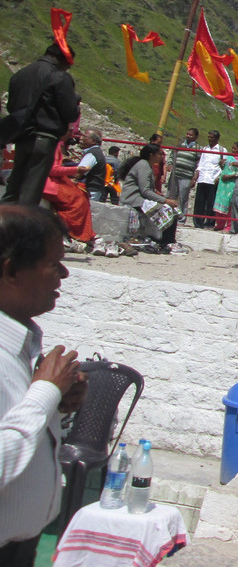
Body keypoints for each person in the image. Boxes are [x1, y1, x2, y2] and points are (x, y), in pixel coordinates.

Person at [0, 205, 88, 565]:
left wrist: (55, 400)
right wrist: (44, 392)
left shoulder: (20, 348)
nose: (64, 274)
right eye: (54, 264)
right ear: (11, 271)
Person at [0, 43, 80, 206]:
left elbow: (12, 107)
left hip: (22, 137)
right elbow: (70, 112)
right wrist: (75, 101)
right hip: (45, 138)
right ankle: (23, 228)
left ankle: (5, 223)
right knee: (31, 191)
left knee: (13, 189)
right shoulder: (59, 77)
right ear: (63, 59)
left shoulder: (21, 74)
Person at [119, 143, 180, 253]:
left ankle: (166, 240)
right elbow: (145, 191)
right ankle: (167, 241)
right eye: (160, 154)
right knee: (168, 209)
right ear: (152, 155)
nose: (162, 157)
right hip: (134, 199)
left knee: (170, 209)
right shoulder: (144, 166)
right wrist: (165, 200)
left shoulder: (146, 165)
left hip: (140, 198)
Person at [42, 130, 94, 251]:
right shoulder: (54, 145)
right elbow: (53, 170)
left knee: (81, 195)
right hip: (48, 182)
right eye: (69, 131)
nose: (72, 135)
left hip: (54, 180)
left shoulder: (56, 144)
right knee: (78, 201)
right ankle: (71, 234)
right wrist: (76, 170)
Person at [192, 130, 226, 228]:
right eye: (209, 137)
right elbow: (200, 164)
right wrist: (196, 176)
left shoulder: (222, 150)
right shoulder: (205, 149)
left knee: (211, 203)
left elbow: (224, 166)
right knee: (199, 202)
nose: (210, 139)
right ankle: (198, 222)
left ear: (217, 138)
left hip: (213, 179)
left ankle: (209, 223)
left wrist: (219, 177)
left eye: (212, 137)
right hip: (203, 178)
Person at [166, 128, 200, 224]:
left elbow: (198, 163)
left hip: (187, 176)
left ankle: (181, 219)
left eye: (191, 135)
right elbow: (172, 155)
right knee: (171, 195)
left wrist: (195, 176)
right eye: (187, 134)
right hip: (175, 174)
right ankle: (168, 217)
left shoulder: (198, 148)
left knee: (183, 198)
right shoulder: (180, 144)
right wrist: (170, 163)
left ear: (196, 137)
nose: (188, 136)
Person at [73, 128, 107, 203]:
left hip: (90, 191)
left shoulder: (92, 154)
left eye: (84, 137)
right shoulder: (96, 152)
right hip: (94, 190)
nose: (81, 138)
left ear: (93, 141)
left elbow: (78, 173)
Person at [213, 143, 238, 232]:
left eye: (235, 149)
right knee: (220, 202)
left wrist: (229, 176)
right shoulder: (229, 158)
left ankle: (229, 226)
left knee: (229, 205)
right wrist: (221, 164)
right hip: (223, 184)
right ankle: (220, 224)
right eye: (232, 148)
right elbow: (225, 169)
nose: (233, 150)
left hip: (231, 183)